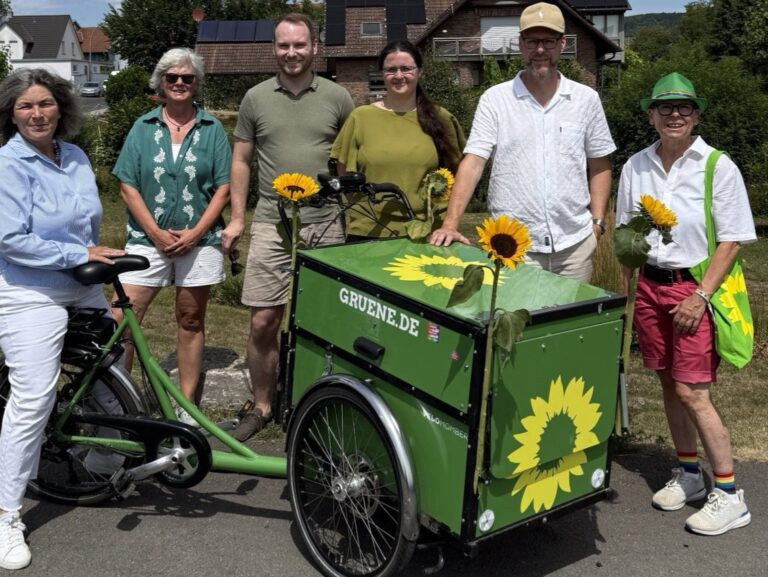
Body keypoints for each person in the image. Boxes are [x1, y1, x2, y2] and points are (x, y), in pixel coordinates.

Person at [616, 72, 755, 536]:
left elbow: (733, 239)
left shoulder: (717, 165)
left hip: (693, 287)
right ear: (650, 114)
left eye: (684, 108)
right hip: (651, 288)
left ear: (696, 115)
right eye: (665, 107)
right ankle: (690, 474)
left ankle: (731, 494)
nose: (675, 115)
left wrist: (701, 295)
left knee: (694, 391)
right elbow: (627, 238)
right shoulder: (635, 166)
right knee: (667, 384)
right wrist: (625, 298)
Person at [0, 68, 125, 570]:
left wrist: (93, 256)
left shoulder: (73, 156)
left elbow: (85, 221)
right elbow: (11, 239)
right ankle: (7, 514)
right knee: (33, 395)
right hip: (30, 292)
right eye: (25, 106)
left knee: (108, 374)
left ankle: (102, 461)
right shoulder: (8, 164)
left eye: (45, 104)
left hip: (82, 283)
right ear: (11, 114)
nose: (37, 113)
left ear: (61, 108)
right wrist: (78, 252)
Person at [223, 13, 355, 441]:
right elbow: (241, 160)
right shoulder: (255, 98)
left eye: (299, 45)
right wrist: (238, 217)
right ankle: (262, 405)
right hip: (270, 224)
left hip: (325, 226)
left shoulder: (338, 97)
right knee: (263, 320)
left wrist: (346, 210)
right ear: (274, 49)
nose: (292, 53)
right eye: (284, 45)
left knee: (324, 323)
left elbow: (348, 162)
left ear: (315, 47)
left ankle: (314, 403)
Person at [429, 1, 615, 283]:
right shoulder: (495, 99)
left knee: (569, 325)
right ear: (520, 44)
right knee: (515, 325)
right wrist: (451, 223)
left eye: (548, 41)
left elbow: (599, 163)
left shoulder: (585, 99)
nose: (540, 50)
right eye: (532, 41)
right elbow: (474, 161)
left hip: (574, 246)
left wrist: (598, 224)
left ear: (562, 44)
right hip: (513, 247)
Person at [112, 48, 232, 425]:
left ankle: (186, 407)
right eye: (172, 78)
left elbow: (223, 188)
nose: (180, 83)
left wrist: (196, 233)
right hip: (147, 240)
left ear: (197, 84)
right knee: (123, 319)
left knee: (191, 319)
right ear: (161, 83)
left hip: (200, 241)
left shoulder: (212, 129)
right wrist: (156, 234)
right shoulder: (142, 127)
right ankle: (116, 403)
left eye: (188, 78)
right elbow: (127, 186)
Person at [331, 39, 466, 239]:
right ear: (382, 74)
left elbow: (460, 174)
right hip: (369, 230)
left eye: (406, 68)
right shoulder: (360, 118)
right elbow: (343, 170)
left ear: (419, 71)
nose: (399, 76)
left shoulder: (442, 118)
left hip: (426, 232)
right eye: (391, 70)